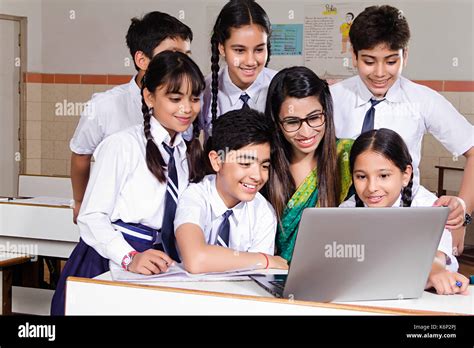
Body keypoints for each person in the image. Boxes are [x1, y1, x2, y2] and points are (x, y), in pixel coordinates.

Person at [51, 51, 206, 315]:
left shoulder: (185, 151)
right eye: (175, 98)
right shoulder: (121, 146)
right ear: (149, 97)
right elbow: (91, 216)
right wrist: (130, 257)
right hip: (109, 259)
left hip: (159, 260)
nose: (187, 108)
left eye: (194, 99)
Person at [330, 5, 473, 254]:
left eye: (391, 61)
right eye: (368, 61)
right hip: (345, 223)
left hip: (408, 221)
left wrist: (463, 211)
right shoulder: (333, 98)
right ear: (353, 55)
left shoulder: (423, 100)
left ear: (405, 55)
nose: (380, 73)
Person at [70, 11, 193, 223]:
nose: (180, 63)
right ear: (141, 59)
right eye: (172, 55)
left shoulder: (188, 105)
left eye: (186, 56)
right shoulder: (105, 106)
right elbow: (81, 156)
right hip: (120, 228)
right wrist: (81, 202)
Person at [340, 128, 469, 295]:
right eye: (361, 177)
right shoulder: (345, 213)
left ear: (406, 174)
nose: (372, 188)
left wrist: (435, 270)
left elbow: (438, 254)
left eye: (384, 176)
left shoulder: (428, 206)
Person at [175, 109, 288, 273]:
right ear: (216, 161)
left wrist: (260, 263)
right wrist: (264, 260)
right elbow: (196, 259)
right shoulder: (195, 196)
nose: (257, 176)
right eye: (245, 163)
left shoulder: (262, 212)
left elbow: (256, 276)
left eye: (265, 166)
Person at [265, 66, 354, 262]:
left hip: (338, 274)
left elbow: (392, 191)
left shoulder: (348, 156)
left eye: (314, 118)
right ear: (277, 123)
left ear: (327, 112)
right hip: (273, 277)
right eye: (292, 122)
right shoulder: (263, 166)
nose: (305, 132)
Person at [199, 0, 277, 140]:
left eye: (259, 49)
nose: (250, 61)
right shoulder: (204, 90)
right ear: (221, 48)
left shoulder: (281, 86)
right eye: (239, 50)